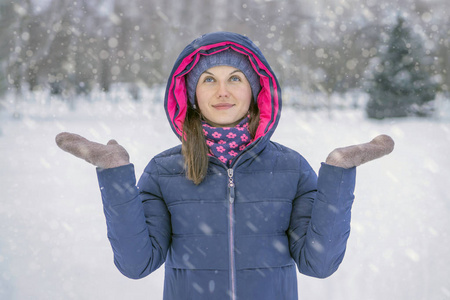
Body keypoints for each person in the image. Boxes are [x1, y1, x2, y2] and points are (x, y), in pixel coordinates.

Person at [56, 31, 394, 300]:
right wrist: (114, 172)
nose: (222, 91)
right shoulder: (164, 171)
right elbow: (136, 264)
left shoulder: (291, 169)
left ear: (254, 90)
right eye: (208, 79)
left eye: (235, 78)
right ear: (191, 95)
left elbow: (318, 264)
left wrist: (339, 173)